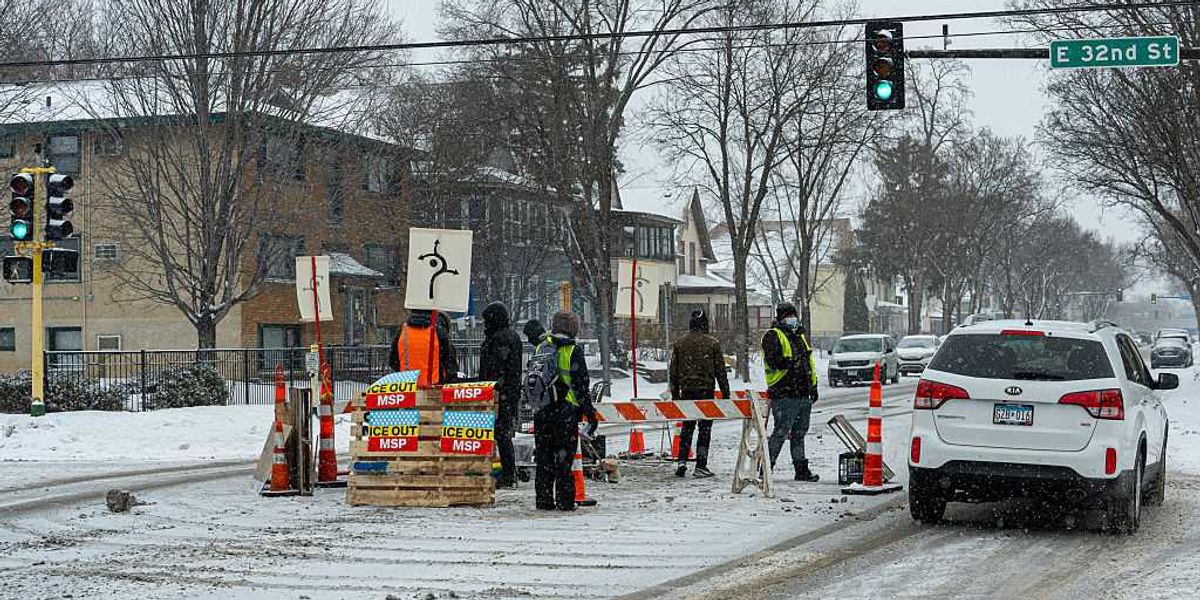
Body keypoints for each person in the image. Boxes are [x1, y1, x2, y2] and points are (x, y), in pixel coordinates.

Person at [534, 310, 599, 511]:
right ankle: (565, 501)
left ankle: (544, 500)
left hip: (543, 410)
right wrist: (589, 413)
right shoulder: (573, 351)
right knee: (564, 460)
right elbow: (580, 386)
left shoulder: (540, 348)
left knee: (544, 458)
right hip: (566, 412)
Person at [669, 309, 731, 478]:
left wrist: (675, 393)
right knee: (704, 430)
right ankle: (701, 465)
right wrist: (726, 393)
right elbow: (720, 371)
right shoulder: (712, 343)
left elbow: (673, 371)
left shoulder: (680, 343)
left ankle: (682, 460)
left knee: (687, 428)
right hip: (706, 391)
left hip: (687, 391)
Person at [761, 302, 820, 482]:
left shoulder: (799, 336)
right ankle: (766, 469)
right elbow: (774, 361)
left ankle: (801, 469)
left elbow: (809, 363)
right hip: (784, 393)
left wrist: (813, 385)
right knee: (780, 431)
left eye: (793, 316)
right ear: (781, 318)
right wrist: (789, 362)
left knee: (799, 433)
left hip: (802, 393)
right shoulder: (773, 336)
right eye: (788, 316)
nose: (792, 320)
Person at [478, 302, 524, 488]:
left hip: (499, 394)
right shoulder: (509, 336)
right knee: (503, 434)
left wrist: (490, 386)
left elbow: (496, 369)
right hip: (506, 394)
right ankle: (506, 472)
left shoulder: (499, 339)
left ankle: (506, 474)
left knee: (501, 435)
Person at [389, 309, 458, 388]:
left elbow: (393, 361)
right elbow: (449, 361)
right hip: (434, 386)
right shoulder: (438, 332)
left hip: (408, 387)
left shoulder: (402, 331)